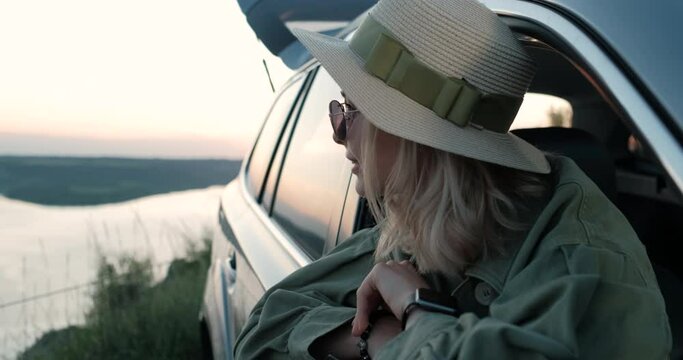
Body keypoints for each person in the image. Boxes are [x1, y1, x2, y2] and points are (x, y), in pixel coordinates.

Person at [234, 0, 672, 358]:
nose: (337, 133)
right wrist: (374, 339)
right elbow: (264, 325)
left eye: (349, 110)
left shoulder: (589, 270)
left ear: (414, 136)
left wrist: (416, 312)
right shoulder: (418, 220)